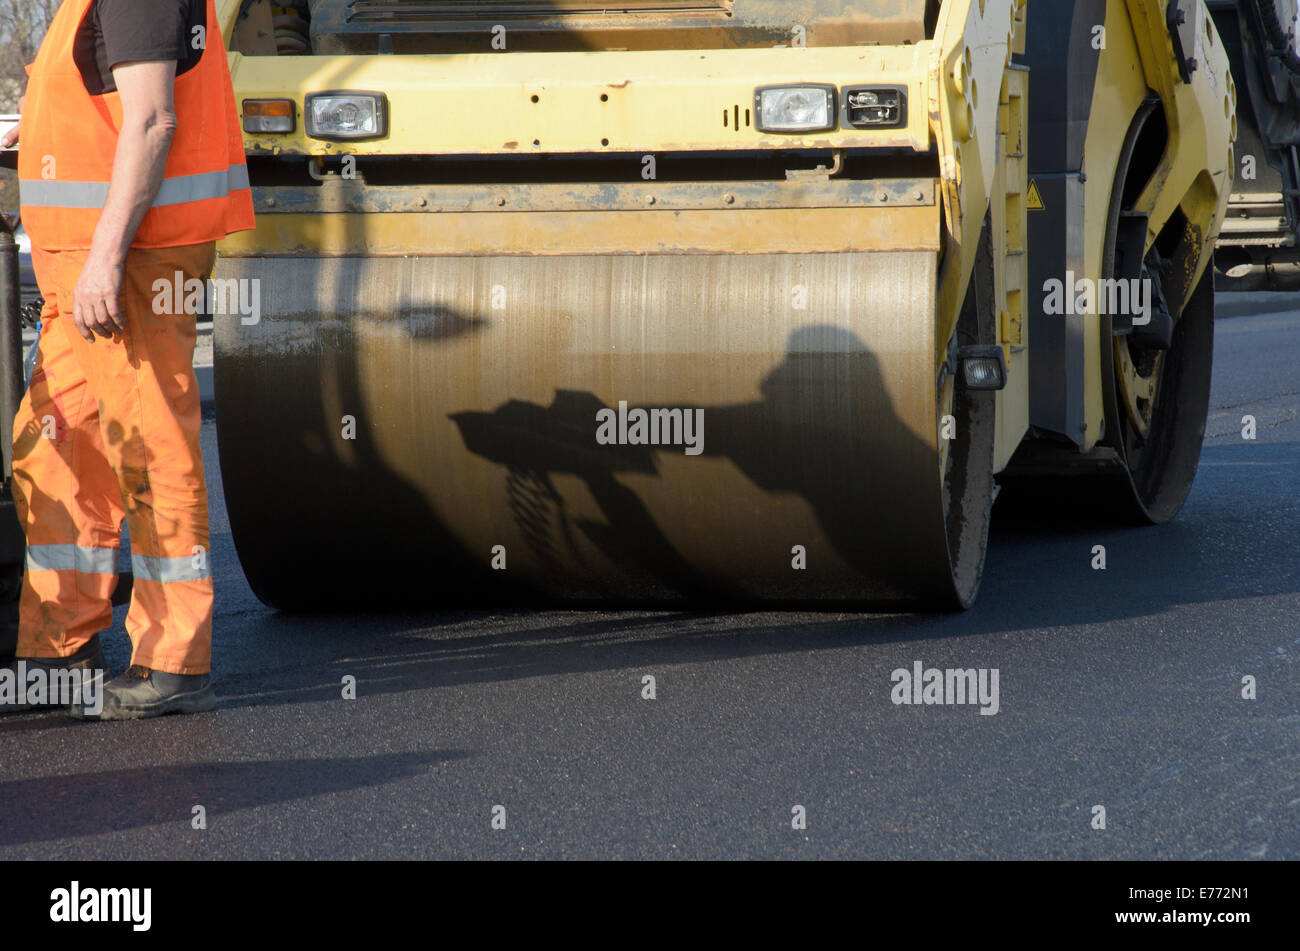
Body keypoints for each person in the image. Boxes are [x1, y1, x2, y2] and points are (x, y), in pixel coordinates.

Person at [0, 0, 254, 718]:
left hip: (128, 264)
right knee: (54, 445)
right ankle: (58, 652)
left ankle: (173, 660)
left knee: (149, 445)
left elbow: (151, 121)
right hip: (83, 270)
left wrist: (107, 259)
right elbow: (109, 112)